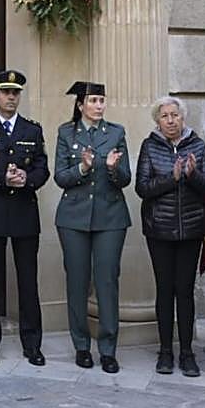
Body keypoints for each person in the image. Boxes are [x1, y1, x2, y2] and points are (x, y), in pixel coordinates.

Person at [0, 68, 49, 367]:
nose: (11, 97)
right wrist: (3, 179)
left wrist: (26, 179)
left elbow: (43, 169)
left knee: (28, 282)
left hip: (23, 213)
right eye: (5, 92)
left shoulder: (32, 129)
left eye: (15, 92)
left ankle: (33, 344)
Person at [135, 95, 205, 379]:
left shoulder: (197, 145)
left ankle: (187, 353)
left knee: (185, 291)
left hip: (191, 229)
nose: (171, 120)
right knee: (164, 290)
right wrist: (173, 177)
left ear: (183, 118)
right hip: (159, 229)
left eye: (175, 115)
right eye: (165, 116)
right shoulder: (149, 146)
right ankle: (165, 352)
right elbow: (142, 188)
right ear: (158, 120)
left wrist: (192, 175)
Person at [54, 80, 131, 373]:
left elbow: (125, 179)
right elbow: (60, 176)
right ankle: (82, 346)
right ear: (80, 105)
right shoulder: (66, 132)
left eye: (102, 100)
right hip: (73, 218)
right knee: (77, 282)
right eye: (94, 101)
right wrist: (83, 168)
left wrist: (112, 167)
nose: (99, 106)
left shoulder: (116, 132)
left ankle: (108, 349)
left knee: (107, 282)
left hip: (110, 218)